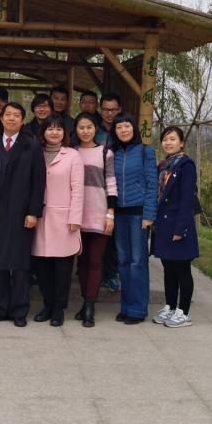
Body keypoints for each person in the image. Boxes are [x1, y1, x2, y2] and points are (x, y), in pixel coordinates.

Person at [0, 102, 45, 327]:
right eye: (7, 114)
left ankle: (19, 310)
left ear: (22, 120)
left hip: (20, 213)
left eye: (16, 115)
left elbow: (38, 181)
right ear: (1, 118)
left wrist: (33, 212)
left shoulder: (31, 145)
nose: (11, 118)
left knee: (19, 265)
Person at [31, 116, 84, 327]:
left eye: (58, 129)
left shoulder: (72, 155)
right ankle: (47, 305)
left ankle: (58, 309)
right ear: (43, 132)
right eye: (50, 129)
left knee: (62, 268)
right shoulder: (35, 152)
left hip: (63, 219)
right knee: (41, 267)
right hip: (38, 217)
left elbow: (78, 189)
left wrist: (75, 218)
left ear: (65, 133)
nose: (54, 133)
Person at [109, 113, 157, 324]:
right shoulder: (113, 152)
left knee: (138, 262)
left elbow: (152, 184)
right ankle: (126, 307)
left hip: (139, 215)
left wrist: (149, 214)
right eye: (119, 127)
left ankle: (138, 310)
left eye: (127, 126)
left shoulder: (146, 151)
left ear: (134, 128)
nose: (123, 130)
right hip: (119, 214)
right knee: (123, 261)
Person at [72, 112, 117, 328]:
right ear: (76, 129)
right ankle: (85, 300)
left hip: (99, 213)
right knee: (81, 261)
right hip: (76, 215)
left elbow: (111, 183)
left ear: (95, 129)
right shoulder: (71, 152)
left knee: (96, 261)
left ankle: (90, 305)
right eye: (81, 127)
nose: (85, 131)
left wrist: (110, 213)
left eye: (89, 127)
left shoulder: (105, 152)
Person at [151, 126, 198, 328]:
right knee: (168, 268)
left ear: (181, 143)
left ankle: (183, 312)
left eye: (172, 139)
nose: (168, 143)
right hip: (163, 224)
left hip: (179, 223)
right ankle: (170, 306)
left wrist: (180, 229)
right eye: (165, 139)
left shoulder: (186, 165)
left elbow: (187, 199)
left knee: (182, 269)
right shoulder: (163, 165)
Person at [97, 92, 123, 291]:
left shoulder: (123, 130)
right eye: (106, 109)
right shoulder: (93, 129)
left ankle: (111, 273)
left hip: (117, 188)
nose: (109, 113)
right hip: (95, 188)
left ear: (119, 110)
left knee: (113, 235)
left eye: (113, 110)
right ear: (100, 110)